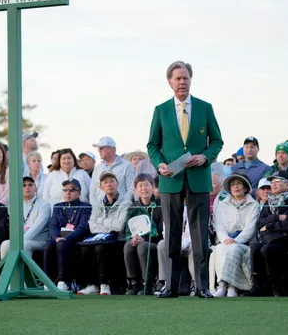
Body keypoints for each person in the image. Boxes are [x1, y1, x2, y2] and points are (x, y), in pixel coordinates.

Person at [147, 61, 223, 299]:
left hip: (198, 179)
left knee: (200, 234)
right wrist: (159, 164)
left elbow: (217, 142)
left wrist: (204, 157)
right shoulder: (160, 110)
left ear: (191, 80)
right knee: (171, 234)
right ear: (169, 81)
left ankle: (202, 287)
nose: (182, 82)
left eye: (186, 78)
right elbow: (153, 145)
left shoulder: (205, 107)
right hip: (170, 181)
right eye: (178, 78)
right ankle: (170, 286)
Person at [249, 171, 288, 297]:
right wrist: (277, 217)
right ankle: (259, 285)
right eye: (272, 182)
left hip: (287, 239)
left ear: (287, 185)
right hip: (270, 238)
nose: (273, 184)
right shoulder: (269, 202)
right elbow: (260, 223)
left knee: (267, 249)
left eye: (277, 181)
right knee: (255, 247)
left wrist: (269, 225)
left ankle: (275, 286)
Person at [78, 172, 131, 296]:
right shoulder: (97, 203)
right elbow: (92, 226)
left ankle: (104, 284)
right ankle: (92, 285)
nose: (109, 184)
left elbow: (119, 226)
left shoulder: (125, 202)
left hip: (118, 238)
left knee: (101, 248)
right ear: (101, 187)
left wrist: (101, 220)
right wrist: (108, 226)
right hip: (99, 237)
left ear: (117, 184)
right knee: (85, 249)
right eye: (105, 182)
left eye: (112, 181)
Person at [210, 174, 260, 297]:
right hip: (225, 241)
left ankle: (233, 287)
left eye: (239, 184)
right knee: (220, 249)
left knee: (233, 249)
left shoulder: (254, 205)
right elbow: (219, 226)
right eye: (233, 184)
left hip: (244, 242)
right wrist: (226, 239)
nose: (236, 187)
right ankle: (222, 286)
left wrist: (236, 240)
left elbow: (250, 228)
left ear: (245, 187)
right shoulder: (222, 204)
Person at [43, 178, 92, 292]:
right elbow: (53, 225)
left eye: (72, 190)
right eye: (65, 190)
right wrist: (56, 237)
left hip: (76, 239)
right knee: (48, 246)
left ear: (79, 193)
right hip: (59, 238)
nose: (68, 192)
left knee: (62, 245)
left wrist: (65, 238)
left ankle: (64, 281)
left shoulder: (86, 206)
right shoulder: (58, 206)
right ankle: (48, 281)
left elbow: (82, 227)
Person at [124, 173, 163, 295]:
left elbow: (161, 230)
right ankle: (133, 283)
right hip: (138, 240)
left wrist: (144, 238)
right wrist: (133, 237)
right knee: (128, 245)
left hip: (156, 242)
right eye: (140, 186)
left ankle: (148, 283)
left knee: (143, 246)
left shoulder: (160, 205)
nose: (143, 188)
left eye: (146, 185)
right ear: (136, 190)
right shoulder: (132, 208)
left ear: (153, 187)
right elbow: (128, 228)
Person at [0, 176, 51, 259]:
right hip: (22, 240)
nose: (27, 187)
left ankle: (26, 271)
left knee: (24, 244)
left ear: (35, 188)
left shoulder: (44, 204)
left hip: (40, 240)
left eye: (30, 185)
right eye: (24, 185)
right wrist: (19, 241)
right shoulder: (16, 205)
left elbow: (38, 226)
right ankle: (6, 271)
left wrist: (20, 241)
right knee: (5, 244)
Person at [89, 136, 135, 205]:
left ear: (111, 149)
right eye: (98, 148)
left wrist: (122, 205)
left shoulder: (127, 165)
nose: (99, 150)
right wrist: (95, 206)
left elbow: (131, 189)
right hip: (100, 211)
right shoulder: (97, 168)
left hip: (121, 209)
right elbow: (92, 191)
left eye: (101, 148)